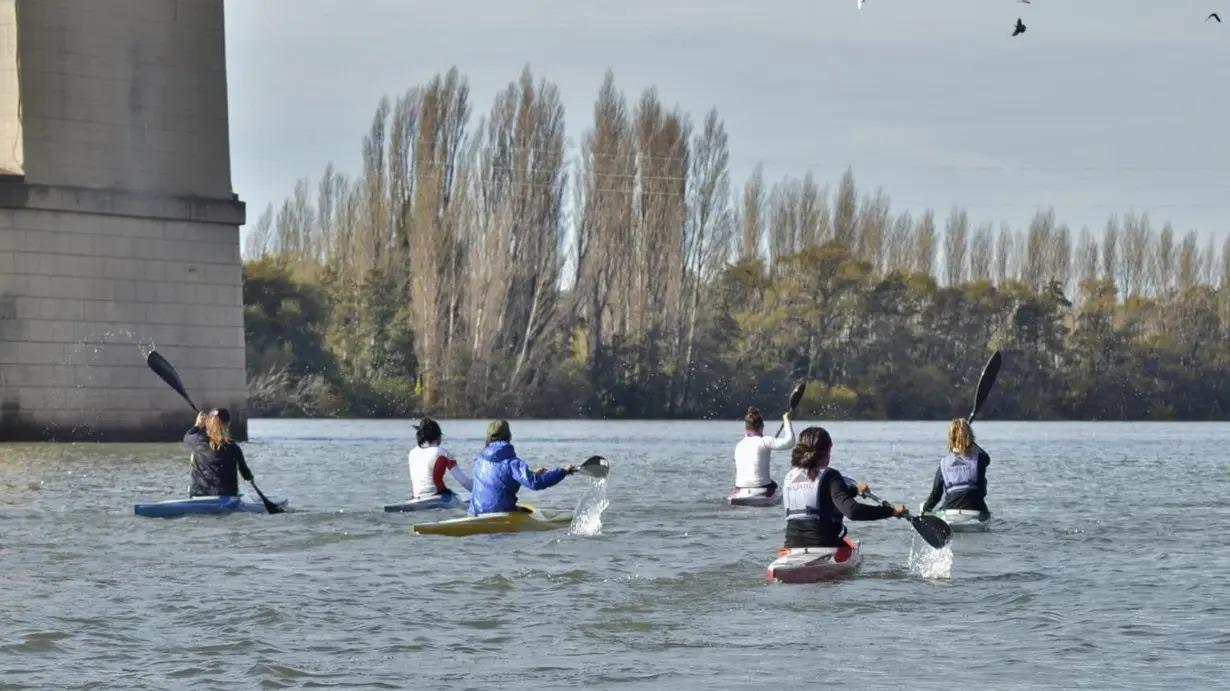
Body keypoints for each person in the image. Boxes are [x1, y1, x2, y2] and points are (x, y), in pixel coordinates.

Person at [782, 427, 907, 548]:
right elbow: (853, 512)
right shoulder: (830, 475)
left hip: (792, 546)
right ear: (826, 451)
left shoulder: (789, 476)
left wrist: (855, 490)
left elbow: (823, 497)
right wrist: (891, 511)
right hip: (824, 545)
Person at [468, 420, 576, 515]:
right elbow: (535, 484)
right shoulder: (511, 463)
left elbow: (498, 477)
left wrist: (531, 473)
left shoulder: (479, 460)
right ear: (509, 436)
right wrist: (562, 472)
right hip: (499, 513)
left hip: (475, 512)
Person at [920, 419, 990, 515]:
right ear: (970, 436)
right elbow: (987, 458)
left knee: (935, 510)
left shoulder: (943, 463)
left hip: (950, 510)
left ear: (950, 438)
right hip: (976, 509)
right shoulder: (980, 459)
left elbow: (935, 495)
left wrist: (924, 509)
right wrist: (969, 441)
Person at [183, 408, 253, 497]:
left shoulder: (197, 440)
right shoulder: (233, 447)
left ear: (208, 423)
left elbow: (186, 437)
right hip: (226, 495)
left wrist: (197, 425)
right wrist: (250, 478)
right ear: (228, 424)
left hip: (199, 494)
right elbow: (245, 472)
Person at [733, 406, 794, 498]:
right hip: (762, 488)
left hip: (740, 489)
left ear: (746, 428)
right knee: (777, 487)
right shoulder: (765, 441)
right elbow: (790, 442)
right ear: (761, 427)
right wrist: (786, 421)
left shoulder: (739, 445)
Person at [407, 417, 472, 500]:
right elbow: (464, 482)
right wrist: (479, 492)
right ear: (438, 437)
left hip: (416, 497)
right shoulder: (441, 452)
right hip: (438, 496)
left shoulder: (412, 453)